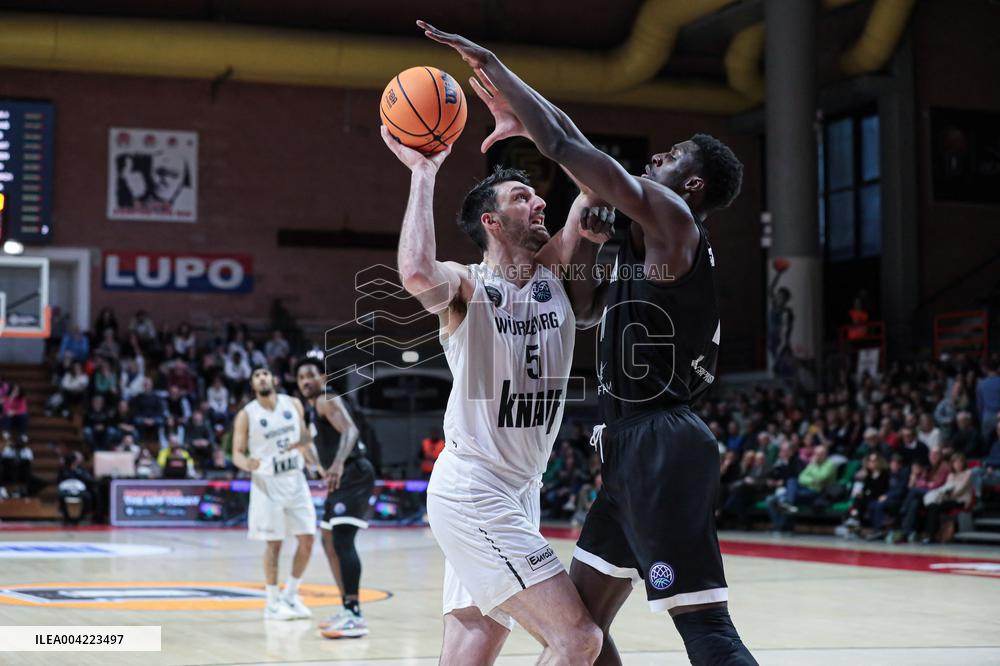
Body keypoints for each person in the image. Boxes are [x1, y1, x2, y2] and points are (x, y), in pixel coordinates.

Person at [418, 21, 755, 664]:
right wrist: (589, 231)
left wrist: (505, 80)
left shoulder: (673, 219)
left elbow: (569, 143)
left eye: (674, 156)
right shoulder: (649, 241)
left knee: (706, 628)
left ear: (692, 187)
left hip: (662, 441)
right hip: (626, 451)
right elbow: (589, 292)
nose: (657, 158)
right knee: (581, 632)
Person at [383, 93, 613, 661]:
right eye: (521, 197)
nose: (538, 202)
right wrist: (423, 172)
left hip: (520, 491)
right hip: (475, 489)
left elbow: (595, 179)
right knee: (578, 639)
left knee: (476, 636)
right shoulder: (467, 288)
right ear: (491, 221)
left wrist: (539, 133)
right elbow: (414, 271)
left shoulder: (555, 268)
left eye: (537, 194)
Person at [232, 367, 321, 621]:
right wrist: (245, 463)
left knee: (308, 539)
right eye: (256, 375)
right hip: (267, 483)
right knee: (275, 543)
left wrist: (316, 464)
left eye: (265, 374)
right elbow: (237, 452)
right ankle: (271, 602)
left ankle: (291, 595)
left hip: (296, 479)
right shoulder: (246, 414)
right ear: (252, 384)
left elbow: (304, 438)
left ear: (275, 379)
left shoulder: (293, 404)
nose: (261, 378)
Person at [297, 357, 376, 639]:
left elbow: (351, 430)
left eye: (310, 375)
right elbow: (312, 443)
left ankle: (355, 615)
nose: (305, 381)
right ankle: (346, 608)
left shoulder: (326, 398)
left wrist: (339, 463)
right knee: (328, 539)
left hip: (354, 473)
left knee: (342, 540)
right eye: (300, 378)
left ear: (324, 377)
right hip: (340, 479)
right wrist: (318, 466)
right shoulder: (312, 409)